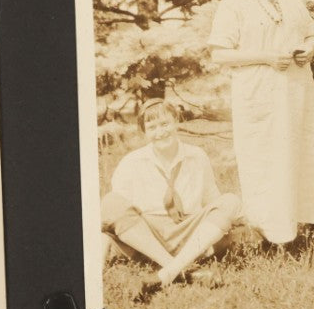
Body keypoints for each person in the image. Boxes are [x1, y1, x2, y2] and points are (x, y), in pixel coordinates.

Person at [207, 0, 314, 245]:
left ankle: (310, 224)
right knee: (266, 159)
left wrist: (309, 48)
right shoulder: (234, 1)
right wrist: (266, 57)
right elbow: (219, 53)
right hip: (259, 94)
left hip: (296, 91)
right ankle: (272, 235)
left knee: (302, 153)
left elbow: (311, 34)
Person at [101, 100, 243, 297]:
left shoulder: (197, 156)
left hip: (188, 233)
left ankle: (169, 271)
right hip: (148, 237)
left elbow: (213, 199)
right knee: (110, 202)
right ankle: (181, 271)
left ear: (176, 121)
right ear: (144, 132)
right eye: (152, 127)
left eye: (165, 124)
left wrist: (230, 218)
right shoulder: (131, 162)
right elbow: (116, 215)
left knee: (231, 201)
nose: (160, 132)